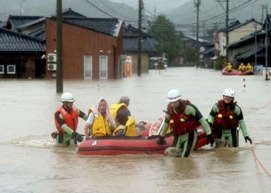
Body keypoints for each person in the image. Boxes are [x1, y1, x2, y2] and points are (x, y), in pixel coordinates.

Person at [157, 89, 213, 158]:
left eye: (175, 102)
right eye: (171, 103)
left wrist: (209, 134)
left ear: (179, 100)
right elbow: (166, 123)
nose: (173, 105)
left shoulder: (190, 108)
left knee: (184, 158)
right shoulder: (169, 109)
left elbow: (202, 120)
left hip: (190, 135)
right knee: (174, 157)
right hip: (177, 135)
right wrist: (161, 137)